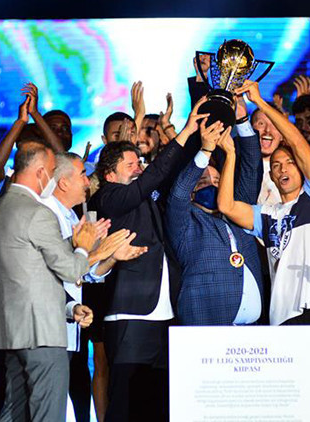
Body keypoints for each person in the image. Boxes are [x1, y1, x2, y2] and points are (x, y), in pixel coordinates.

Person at [218, 80, 310, 421]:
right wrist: (231, 155)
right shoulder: (267, 214)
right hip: (281, 318)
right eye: (276, 165)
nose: (282, 168)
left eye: (289, 162)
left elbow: (296, 141)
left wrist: (261, 103)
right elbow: (226, 205)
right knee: (295, 407)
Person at [0, 142, 133, 421]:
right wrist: (85, 247)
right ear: (41, 172)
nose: (53, 179)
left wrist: (93, 254)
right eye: (52, 171)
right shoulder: (38, 213)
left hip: (13, 329)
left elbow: (32, 268)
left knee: (13, 412)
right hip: (43, 331)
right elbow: (70, 269)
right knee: (48, 414)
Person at [88, 97, 208, 422]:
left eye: (139, 163)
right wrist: (185, 131)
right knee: (125, 404)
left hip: (165, 313)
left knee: (157, 403)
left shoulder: (145, 193)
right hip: (131, 312)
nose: (139, 168)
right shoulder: (109, 197)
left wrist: (197, 140)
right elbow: (153, 176)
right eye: (131, 165)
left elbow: (170, 172)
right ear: (110, 175)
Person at [42, 152, 147, 421]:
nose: (88, 181)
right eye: (82, 175)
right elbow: (57, 268)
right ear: (63, 182)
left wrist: (112, 256)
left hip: (68, 322)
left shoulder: (70, 216)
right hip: (46, 328)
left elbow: (87, 273)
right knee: (43, 407)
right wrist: (99, 252)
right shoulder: (46, 216)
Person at [166, 113, 263, 326]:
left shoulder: (237, 212)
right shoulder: (184, 221)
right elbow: (179, 193)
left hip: (251, 332)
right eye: (202, 182)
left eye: (218, 181)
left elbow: (251, 167)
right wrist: (205, 151)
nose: (212, 184)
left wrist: (242, 121)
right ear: (192, 192)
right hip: (206, 326)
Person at [0, 83, 67, 192]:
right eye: (26, 141)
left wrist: (34, 113)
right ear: (18, 144)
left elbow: (62, 156)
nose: (31, 147)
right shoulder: (9, 176)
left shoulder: (49, 178)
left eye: (36, 143)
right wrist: (20, 121)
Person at [252, 107, 284, 205]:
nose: (267, 130)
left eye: (274, 124)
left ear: (282, 135)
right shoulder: (237, 165)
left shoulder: (291, 170)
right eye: (261, 124)